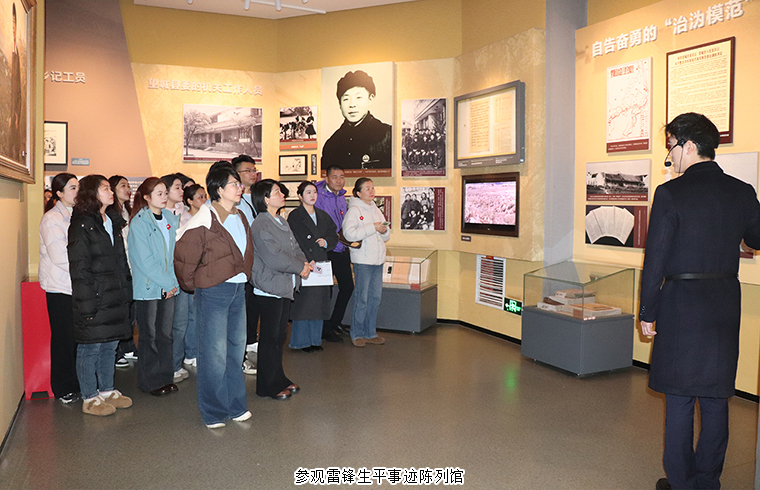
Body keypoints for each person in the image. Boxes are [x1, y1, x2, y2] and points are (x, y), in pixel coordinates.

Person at [639, 113, 760, 490]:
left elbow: (656, 257)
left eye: (671, 148)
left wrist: (647, 310)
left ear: (689, 146)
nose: (670, 158)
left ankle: (681, 482)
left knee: (678, 400)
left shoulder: (671, 193)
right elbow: (757, 239)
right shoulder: (742, 191)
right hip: (724, 303)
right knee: (716, 399)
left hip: (681, 304)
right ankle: (708, 482)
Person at [174, 164, 253, 428]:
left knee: (235, 350)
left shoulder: (239, 216)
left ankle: (236, 405)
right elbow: (184, 256)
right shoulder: (204, 219)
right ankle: (214, 411)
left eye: (239, 184)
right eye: (234, 184)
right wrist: (198, 285)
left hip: (238, 290)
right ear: (218, 189)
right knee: (214, 354)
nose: (239, 188)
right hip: (214, 292)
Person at [68, 175, 133, 416]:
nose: (111, 192)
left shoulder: (112, 221)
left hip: (114, 295)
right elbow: (80, 268)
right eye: (105, 188)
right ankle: (89, 398)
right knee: (90, 347)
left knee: (110, 344)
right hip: (95, 296)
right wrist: (87, 303)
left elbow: (121, 261)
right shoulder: (82, 224)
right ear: (92, 193)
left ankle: (107, 390)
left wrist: (126, 291)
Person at [250, 179, 310, 400]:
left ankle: (278, 378)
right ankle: (266, 386)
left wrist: (304, 263)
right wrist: (299, 267)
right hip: (270, 287)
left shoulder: (280, 221)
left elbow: (295, 247)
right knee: (270, 337)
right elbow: (273, 256)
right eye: (277, 192)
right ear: (265, 199)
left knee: (279, 336)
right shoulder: (260, 224)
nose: (282, 194)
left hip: (284, 284)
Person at [128, 178, 180, 396]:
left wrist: (173, 283)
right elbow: (144, 260)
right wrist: (168, 283)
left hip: (170, 286)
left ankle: (166, 376)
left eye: (165, 192)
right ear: (146, 197)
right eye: (159, 193)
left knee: (165, 334)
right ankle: (150, 381)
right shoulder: (139, 223)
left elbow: (175, 255)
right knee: (149, 335)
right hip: (149, 287)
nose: (164, 197)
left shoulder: (170, 218)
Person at [39, 173, 80, 404]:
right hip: (60, 287)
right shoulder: (52, 219)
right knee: (64, 339)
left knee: (77, 339)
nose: (77, 191)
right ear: (59, 193)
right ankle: (63, 387)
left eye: (78, 187)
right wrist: (84, 270)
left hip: (77, 286)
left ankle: (77, 381)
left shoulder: (78, 215)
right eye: (72, 188)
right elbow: (59, 256)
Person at [287, 181, 339, 353]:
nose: (312, 195)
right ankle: (301, 342)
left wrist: (327, 242)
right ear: (300, 196)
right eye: (308, 192)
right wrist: (306, 259)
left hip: (321, 263)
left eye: (314, 192)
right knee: (304, 304)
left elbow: (334, 234)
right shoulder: (295, 216)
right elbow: (295, 241)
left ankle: (315, 340)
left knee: (320, 304)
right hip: (305, 263)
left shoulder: (323, 215)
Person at [342, 178, 390, 347]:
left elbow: (386, 236)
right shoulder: (354, 210)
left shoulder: (376, 209)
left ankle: (370, 332)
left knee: (375, 298)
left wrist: (383, 230)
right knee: (361, 298)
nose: (371, 191)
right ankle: (357, 333)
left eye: (372, 188)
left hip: (378, 260)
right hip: (363, 261)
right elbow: (349, 234)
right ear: (358, 193)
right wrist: (373, 227)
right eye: (367, 189)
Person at [321, 70, 391, 171]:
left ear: (370, 99)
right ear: (339, 104)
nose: (352, 104)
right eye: (346, 99)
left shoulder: (387, 135)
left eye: (358, 97)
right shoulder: (332, 144)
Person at [231, 154, 261, 374]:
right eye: (247, 170)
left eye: (254, 170)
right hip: (239, 261)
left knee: (254, 301)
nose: (253, 174)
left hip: (257, 257)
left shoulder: (258, 196)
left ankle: (251, 338)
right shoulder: (234, 201)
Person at [314, 165, 352, 342]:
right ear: (327, 178)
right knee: (326, 291)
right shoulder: (318, 196)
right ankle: (324, 329)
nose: (338, 180)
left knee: (348, 287)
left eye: (341, 176)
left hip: (341, 248)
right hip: (326, 250)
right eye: (335, 177)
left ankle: (335, 322)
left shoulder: (342, 196)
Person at [173, 184, 205, 374]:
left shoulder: (207, 218)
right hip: (186, 275)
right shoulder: (182, 220)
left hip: (202, 274)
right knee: (184, 319)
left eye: (205, 196)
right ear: (189, 201)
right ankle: (183, 357)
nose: (204, 200)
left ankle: (194, 352)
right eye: (200, 197)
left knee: (197, 316)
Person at [107, 175, 137, 367]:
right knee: (119, 311)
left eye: (128, 186)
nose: (128, 189)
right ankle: (116, 350)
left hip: (132, 267)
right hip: (119, 267)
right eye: (122, 186)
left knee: (130, 311)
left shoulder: (130, 212)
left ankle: (128, 346)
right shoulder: (110, 214)